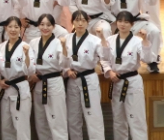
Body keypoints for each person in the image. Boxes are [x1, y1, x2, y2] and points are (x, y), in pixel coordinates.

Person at [101, 11, 154, 140]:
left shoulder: (137, 41)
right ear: (116, 23)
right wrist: (109, 72)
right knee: (119, 120)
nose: (122, 24)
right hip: (116, 81)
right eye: (120, 21)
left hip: (132, 81)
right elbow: (104, 59)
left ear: (132, 24)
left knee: (137, 119)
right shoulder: (110, 40)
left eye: (126, 22)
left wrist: (145, 40)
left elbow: (147, 59)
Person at [105, 0, 161, 72]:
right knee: (103, 29)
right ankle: (106, 62)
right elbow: (104, 5)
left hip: (134, 21)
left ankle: (152, 61)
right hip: (116, 23)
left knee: (154, 31)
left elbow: (151, 1)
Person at [64, 10, 108, 140]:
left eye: (83, 20)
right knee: (73, 118)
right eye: (77, 20)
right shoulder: (66, 39)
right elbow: (61, 59)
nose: (80, 23)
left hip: (89, 79)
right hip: (72, 79)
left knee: (94, 117)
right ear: (72, 22)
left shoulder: (95, 40)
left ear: (88, 23)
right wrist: (67, 70)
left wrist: (103, 38)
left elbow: (105, 56)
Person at [27, 14, 69, 140]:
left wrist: (64, 48)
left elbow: (64, 64)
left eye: (48, 25)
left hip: (54, 82)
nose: (45, 28)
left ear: (53, 27)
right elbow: (30, 63)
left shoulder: (58, 43)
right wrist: (31, 74)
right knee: (41, 120)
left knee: (57, 119)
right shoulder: (33, 43)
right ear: (38, 26)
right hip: (39, 83)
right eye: (42, 24)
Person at [0, 16, 34, 140]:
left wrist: (27, 55)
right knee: (6, 127)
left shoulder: (25, 46)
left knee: (21, 127)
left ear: (20, 29)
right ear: (5, 28)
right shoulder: (1, 47)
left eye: (16, 27)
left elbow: (30, 70)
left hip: (20, 88)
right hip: (5, 89)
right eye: (10, 27)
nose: (13, 30)